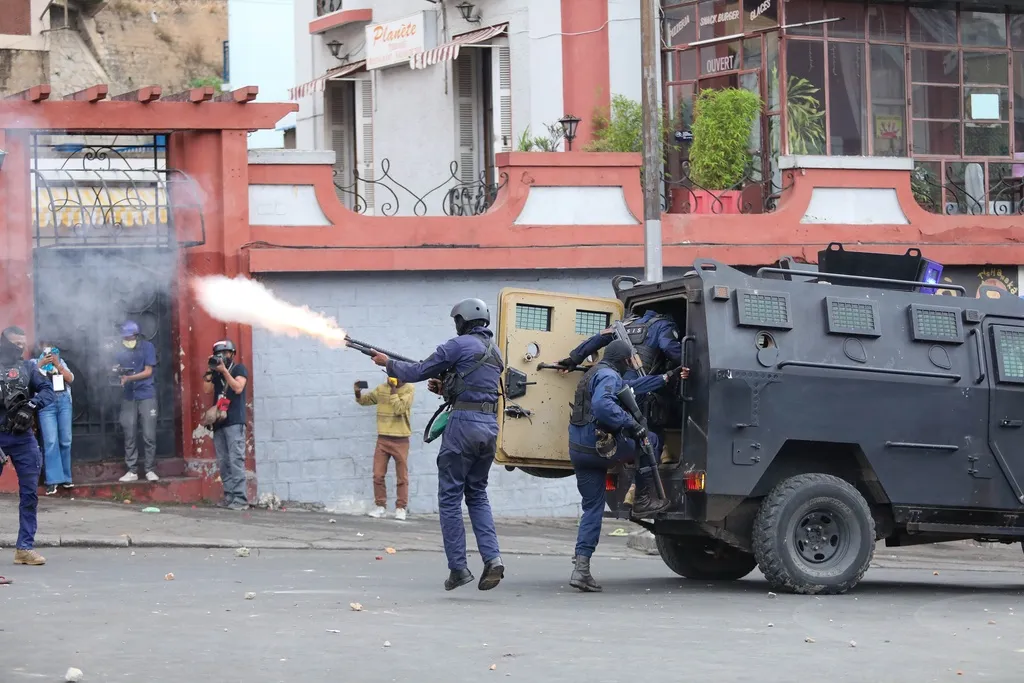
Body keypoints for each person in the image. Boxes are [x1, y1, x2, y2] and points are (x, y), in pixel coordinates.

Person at [370, 298, 505, 592]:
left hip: (463, 427)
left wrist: (388, 363)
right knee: (478, 494)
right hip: (489, 428)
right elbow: (474, 386)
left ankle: (458, 568)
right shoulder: (495, 352)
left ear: (462, 321)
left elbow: (418, 371)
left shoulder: (457, 346)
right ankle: (493, 559)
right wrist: (446, 388)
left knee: (450, 497)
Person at [567, 339, 688, 593]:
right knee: (650, 439)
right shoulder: (609, 376)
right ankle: (643, 498)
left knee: (592, 509)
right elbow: (603, 405)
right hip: (600, 448)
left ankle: (581, 568)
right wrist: (632, 426)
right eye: (629, 361)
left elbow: (630, 387)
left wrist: (666, 377)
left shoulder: (595, 373)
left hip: (580, 452)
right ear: (624, 361)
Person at [0, 326, 56, 568]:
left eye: (23, 343)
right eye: (16, 343)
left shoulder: (28, 367)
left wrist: (31, 406)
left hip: (23, 438)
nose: (21, 347)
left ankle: (24, 548)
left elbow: (48, 390)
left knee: (30, 494)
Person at [355, 376, 415, 521]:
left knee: (402, 477)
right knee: (378, 474)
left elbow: (399, 408)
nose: (391, 377)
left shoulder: (409, 389)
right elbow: (365, 401)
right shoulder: (382, 389)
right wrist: (358, 393)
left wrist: (393, 389)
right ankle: (380, 506)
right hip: (383, 438)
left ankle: (401, 508)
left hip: (401, 438)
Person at [203, 340, 250, 510]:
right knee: (224, 462)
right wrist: (211, 369)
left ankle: (241, 499)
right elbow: (207, 389)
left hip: (234, 421)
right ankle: (229, 496)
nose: (223, 357)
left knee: (236, 460)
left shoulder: (239, 369)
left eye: (226, 353)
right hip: (219, 423)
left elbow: (238, 387)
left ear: (232, 354)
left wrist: (224, 371)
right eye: (219, 354)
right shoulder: (216, 373)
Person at [116, 321, 159, 483]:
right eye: (125, 337)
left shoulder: (148, 347)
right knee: (129, 433)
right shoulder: (120, 350)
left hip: (146, 394)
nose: (127, 340)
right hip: (129, 396)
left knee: (149, 434)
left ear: (136, 335)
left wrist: (129, 378)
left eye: (129, 337)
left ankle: (150, 469)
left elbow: (148, 371)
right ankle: (132, 469)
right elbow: (118, 368)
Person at [34, 343, 75, 495]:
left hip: (63, 401)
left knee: (66, 440)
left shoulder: (61, 362)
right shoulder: (34, 363)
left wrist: (57, 364)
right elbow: (30, 378)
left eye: (52, 351)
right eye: (46, 351)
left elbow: (70, 379)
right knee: (50, 441)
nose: (49, 353)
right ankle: (52, 480)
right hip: (46, 404)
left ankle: (66, 477)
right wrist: (41, 364)